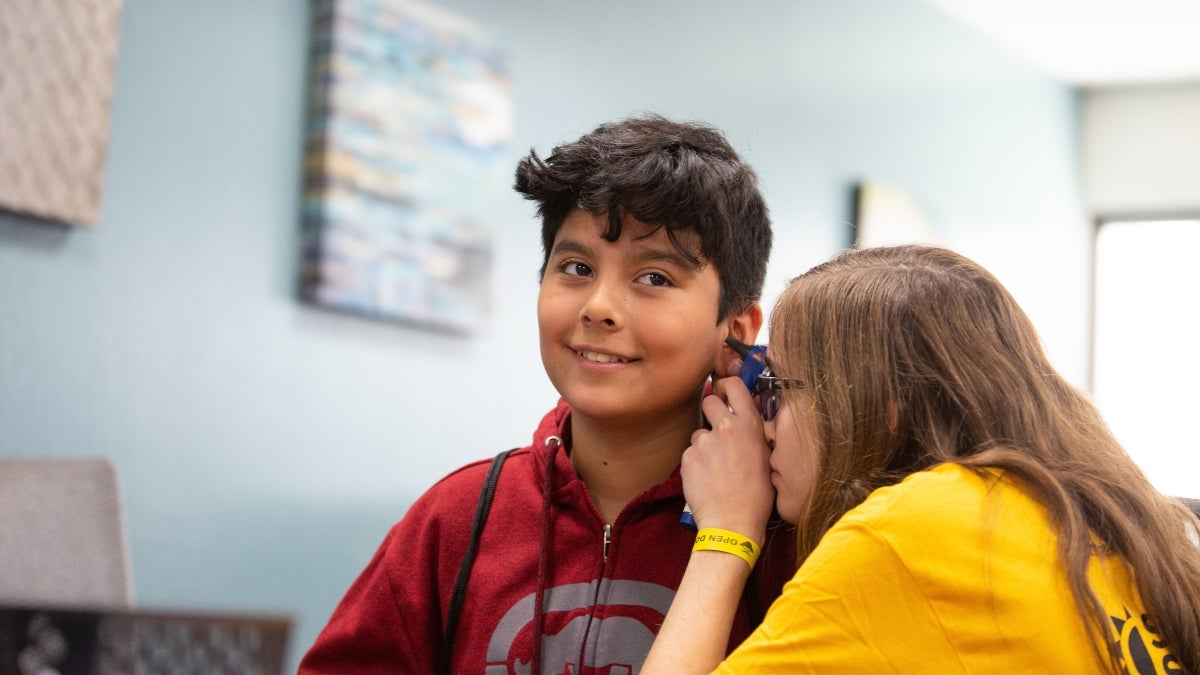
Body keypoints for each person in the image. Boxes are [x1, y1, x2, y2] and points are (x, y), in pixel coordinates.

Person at [298, 114, 796, 674]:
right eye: (576, 267)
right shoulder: (457, 519)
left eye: (654, 277)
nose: (598, 306)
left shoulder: (787, 539)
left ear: (737, 329)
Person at [641, 244, 1200, 674]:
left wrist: (727, 531)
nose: (763, 424)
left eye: (778, 388)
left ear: (887, 408)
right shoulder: (1074, 512)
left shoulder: (913, 531)